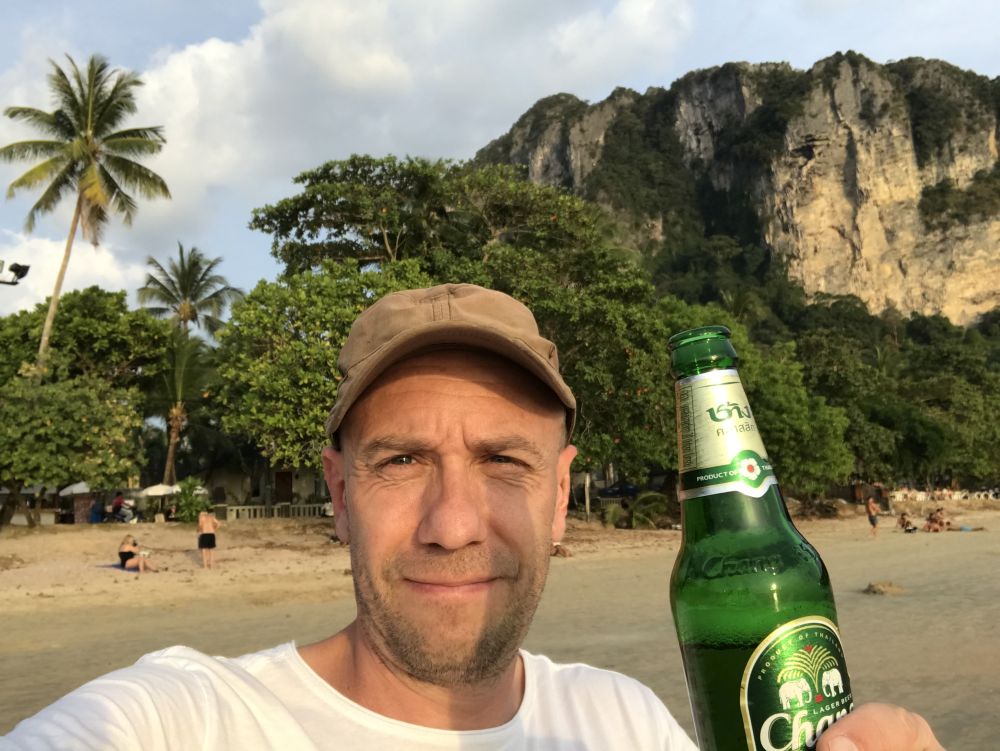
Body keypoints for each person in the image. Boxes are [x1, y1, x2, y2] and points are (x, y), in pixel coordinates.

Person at [1, 284, 943, 749]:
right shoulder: (181, 718)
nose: (453, 524)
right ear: (339, 494)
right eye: (401, 461)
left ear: (560, 495)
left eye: (503, 461)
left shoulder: (623, 721)